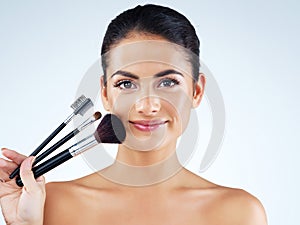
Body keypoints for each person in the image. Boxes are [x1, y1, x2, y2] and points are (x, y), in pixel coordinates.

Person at [0, 4, 268, 225]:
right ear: (105, 93)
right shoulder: (46, 205)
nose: (147, 106)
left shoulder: (239, 213)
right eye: (126, 84)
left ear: (196, 91)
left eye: (168, 83)